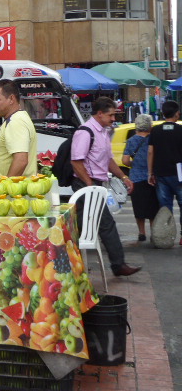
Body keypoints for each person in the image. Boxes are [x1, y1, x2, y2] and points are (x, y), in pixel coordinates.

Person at [71, 96, 141, 277]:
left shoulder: (103, 132)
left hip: (95, 184)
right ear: (100, 113)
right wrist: (88, 184)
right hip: (86, 184)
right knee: (105, 224)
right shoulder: (85, 132)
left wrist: (123, 177)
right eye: (110, 115)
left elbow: (108, 160)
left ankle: (70, 262)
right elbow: (76, 161)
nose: (113, 119)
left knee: (80, 225)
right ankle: (118, 265)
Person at [147, 100, 182, 246]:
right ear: (177, 113)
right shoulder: (181, 130)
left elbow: (150, 152)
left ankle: (166, 238)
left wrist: (150, 173)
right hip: (180, 175)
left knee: (165, 207)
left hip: (161, 174)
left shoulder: (155, 130)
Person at [121, 114, 159, 242]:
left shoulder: (131, 140)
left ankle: (141, 232)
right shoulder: (153, 139)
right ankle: (153, 232)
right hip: (152, 177)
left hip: (136, 177)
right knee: (153, 206)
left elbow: (125, 161)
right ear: (150, 126)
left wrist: (134, 164)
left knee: (138, 206)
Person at [0, 79, 37, 177]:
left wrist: (7, 185)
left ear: (11, 99)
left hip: (12, 187)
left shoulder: (16, 122)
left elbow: (21, 160)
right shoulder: (15, 119)